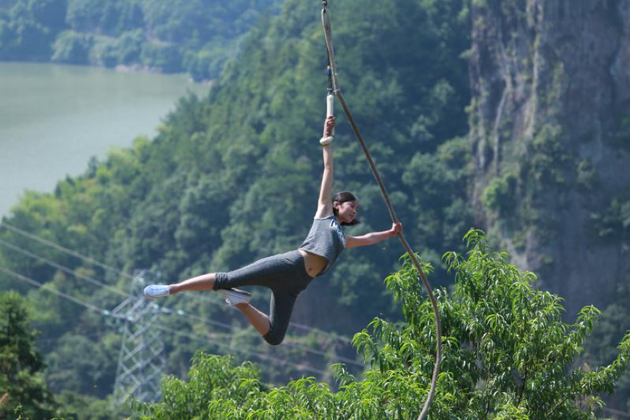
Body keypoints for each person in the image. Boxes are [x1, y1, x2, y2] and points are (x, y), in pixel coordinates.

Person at [143, 115, 402, 345]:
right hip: (289, 265)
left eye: (356, 210)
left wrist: (390, 233)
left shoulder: (342, 238)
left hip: (297, 284)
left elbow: (367, 238)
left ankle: (241, 302)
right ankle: (171, 289)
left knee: (275, 336)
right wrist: (327, 139)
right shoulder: (324, 214)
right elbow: (328, 169)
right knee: (227, 279)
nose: (354, 211)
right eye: (351, 206)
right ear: (336, 205)